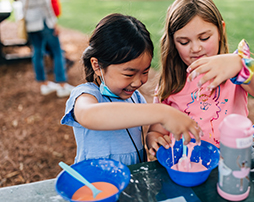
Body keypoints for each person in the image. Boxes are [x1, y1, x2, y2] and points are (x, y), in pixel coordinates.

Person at [146, 0, 254, 158]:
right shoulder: (171, 81)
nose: (195, 48)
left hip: (232, 165)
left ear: (220, 31)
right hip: (188, 168)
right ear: (173, 42)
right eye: (184, 42)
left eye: (204, 38)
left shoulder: (234, 70)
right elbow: (157, 130)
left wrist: (240, 63)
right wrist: (154, 139)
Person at [61, 13, 201, 165]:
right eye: (129, 74)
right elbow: (89, 115)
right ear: (97, 65)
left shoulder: (135, 98)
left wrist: (154, 140)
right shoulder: (86, 95)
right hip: (97, 184)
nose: (137, 82)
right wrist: (163, 113)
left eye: (145, 72)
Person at [15, 0, 74, 97]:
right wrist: (53, 22)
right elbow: (46, 2)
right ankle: (62, 85)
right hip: (43, 20)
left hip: (29, 21)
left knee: (37, 51)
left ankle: (44, 84)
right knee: (57, 51)